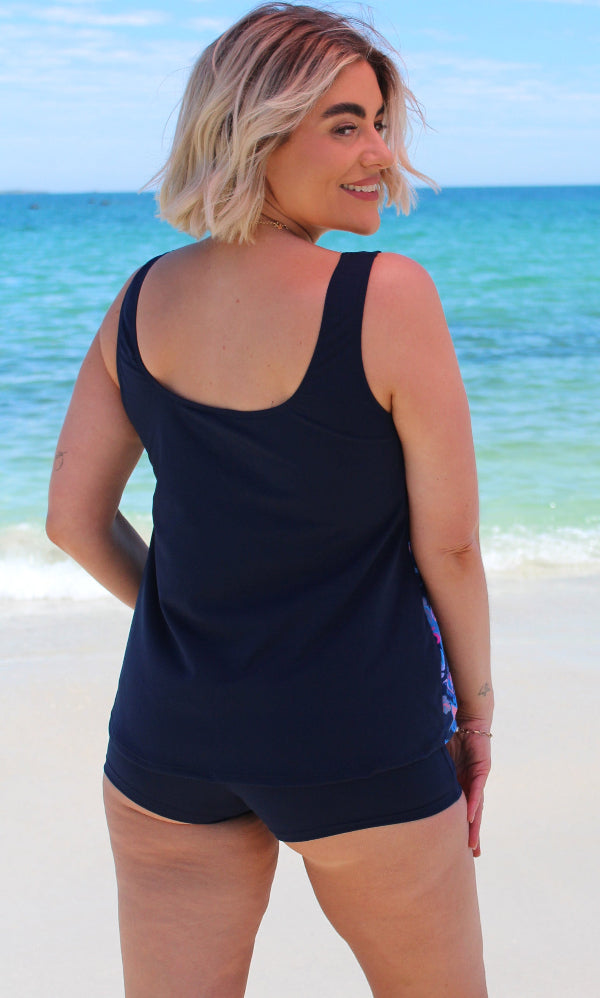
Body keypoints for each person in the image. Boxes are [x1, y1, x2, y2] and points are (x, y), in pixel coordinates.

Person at [47, 4, 493, 995]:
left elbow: (72, 520)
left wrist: (205, 630)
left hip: (170, 738)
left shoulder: (140, 300)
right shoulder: (387, 296)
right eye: (344, 123)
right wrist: (480, 716)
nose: (380, 151)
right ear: (256, 131)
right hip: (361, 732)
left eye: (378, 121)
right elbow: (451, 547)